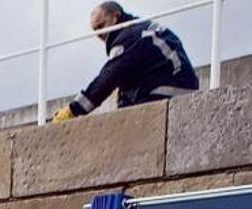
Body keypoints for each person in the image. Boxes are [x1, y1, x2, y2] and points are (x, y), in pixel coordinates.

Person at [53, 1, 199, 123]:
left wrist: (73, 110)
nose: (99, 34)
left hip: (164, 92)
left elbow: (106, 79)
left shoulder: (127, 38)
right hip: (181, 88)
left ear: (116, 16)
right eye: (95, 30)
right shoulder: (141, 29)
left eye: (101, 26)